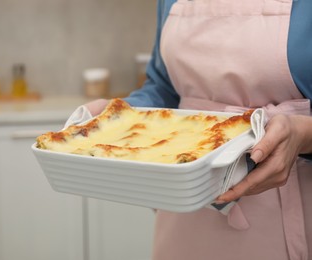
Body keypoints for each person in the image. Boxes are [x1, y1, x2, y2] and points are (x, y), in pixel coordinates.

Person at [84, 0, 312, 259]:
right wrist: (121, 115)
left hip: (285, 210)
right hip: (185, 210)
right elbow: (165, 88)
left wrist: (304, 134)